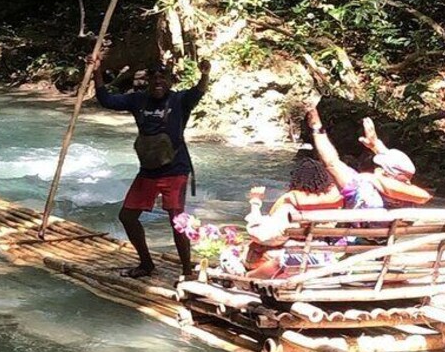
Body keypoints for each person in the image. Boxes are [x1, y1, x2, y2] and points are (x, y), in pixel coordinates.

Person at [87, 54, 211, 278]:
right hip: (148, 170)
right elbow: (106, 100)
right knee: (127, 216)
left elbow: (199, 91)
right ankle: (146, 264)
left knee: (177, 220)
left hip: (175, 169)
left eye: (163, 78)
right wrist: (96, 70)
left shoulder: (180, 101)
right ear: (148, 82)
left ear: (170, 82)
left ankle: (186, 271)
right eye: (154, 78)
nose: (158, 82)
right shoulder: (137, 100)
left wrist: (205, 74)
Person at [238, 157, 344, 279]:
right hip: (324, 255)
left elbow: (262, 236)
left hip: (294, 257)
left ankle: (248, 277)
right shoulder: (335, 201)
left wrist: (255, 202)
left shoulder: (290, 202)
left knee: (238, 253)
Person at [304, 107, 432, 208]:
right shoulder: (410, 200)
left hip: (356, 241)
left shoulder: (360, 186)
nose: (375, 169)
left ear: (384, 172)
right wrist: (376, 145)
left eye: (378, 166)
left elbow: (331, 163)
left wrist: (317, 129)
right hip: (388, 240)